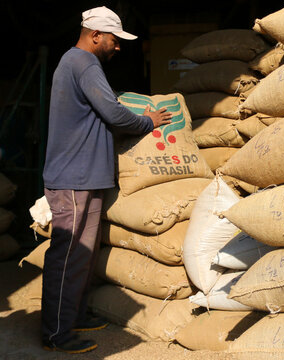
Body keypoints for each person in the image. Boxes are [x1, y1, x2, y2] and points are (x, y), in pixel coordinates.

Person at [41, 6, 172, 354]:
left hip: (85, 177)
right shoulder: (84, 63)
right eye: (114, 40)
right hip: (73, 179)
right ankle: (57, 332)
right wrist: (148, 122)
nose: (117, 47)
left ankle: (72, 317)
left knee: (82, 255)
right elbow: (113, 112)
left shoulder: (78, 63)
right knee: (68, 255)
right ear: (95, 35)